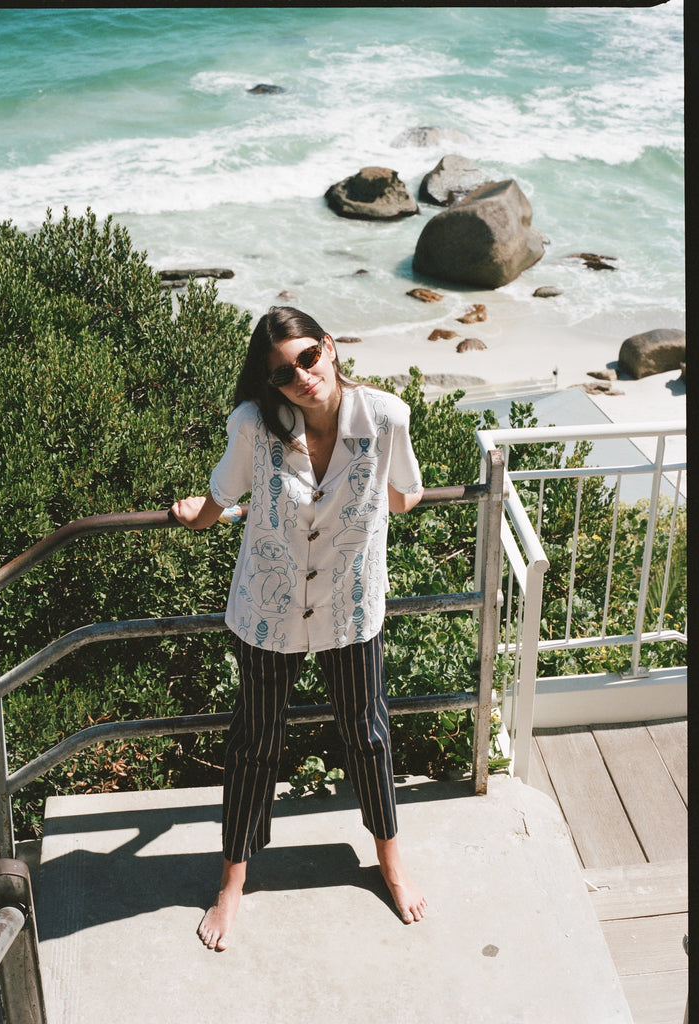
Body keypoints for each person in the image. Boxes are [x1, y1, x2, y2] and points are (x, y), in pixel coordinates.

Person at [170, 305, 427, 951]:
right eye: (283, 373)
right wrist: (196, 515)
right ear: (270, 383)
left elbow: (407, 492)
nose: (301, 377)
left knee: (368, 735)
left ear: (330, 348)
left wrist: (387, 498)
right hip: (269, 608)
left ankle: (392, 863)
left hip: (350, 605)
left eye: (308, 358)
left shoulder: (386, 418)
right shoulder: (253, 425)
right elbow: (220, 498)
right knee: (254, 744)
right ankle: (233, 881)